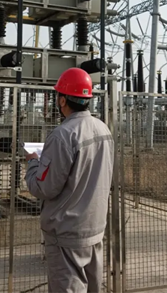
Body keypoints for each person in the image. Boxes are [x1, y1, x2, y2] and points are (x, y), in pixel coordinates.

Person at [25, 68, 115, 293]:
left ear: (63, 100)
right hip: (95, 228)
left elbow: (44, 188)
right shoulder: (103, 129)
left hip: (67, 235)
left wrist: (33, 163)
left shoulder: (63, 135)